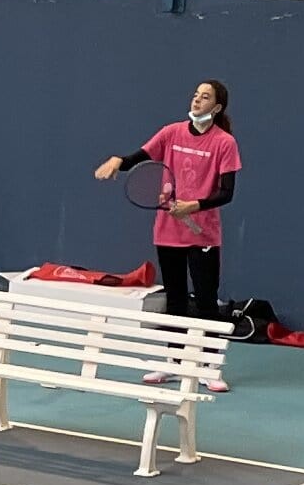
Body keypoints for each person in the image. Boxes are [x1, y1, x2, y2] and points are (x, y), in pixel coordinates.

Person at [93, 81, 240, 331]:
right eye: (195, 95)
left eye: (205, 97)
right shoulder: (171, 132)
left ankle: (207, 365)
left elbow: (226, 194)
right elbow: (136, 158)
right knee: (175, 300)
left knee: (206, 301)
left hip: (202, 235)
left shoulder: (224, 143)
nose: (197, 100)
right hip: (168, 233)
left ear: (216, 108)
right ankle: (172, 362)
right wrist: (118, 160)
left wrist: (192, 206)